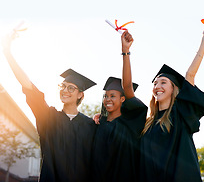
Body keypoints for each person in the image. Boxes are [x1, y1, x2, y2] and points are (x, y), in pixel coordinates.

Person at [122, 25, 204, 182]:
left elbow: (190, 75)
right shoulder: (147, 124)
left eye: (163, 82)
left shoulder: (182, 114)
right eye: (155, 83)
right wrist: (126, 52)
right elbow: (127, 89)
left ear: (174, 89)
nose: (157, 87)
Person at [2, 31, 97, 182]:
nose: (65, 90)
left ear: (81, 95)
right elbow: (28, 87)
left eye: (71, 88)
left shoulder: (91, 125)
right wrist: (7, 52)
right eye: (63, 86)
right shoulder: (49, 117)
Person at [92, 34, 147, 182]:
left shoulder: (130, 124)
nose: (107, 99)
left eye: (112, 96)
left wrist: (125, 52)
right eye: (106, 96)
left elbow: (127, 86)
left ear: (123, 99)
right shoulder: (97, 124)